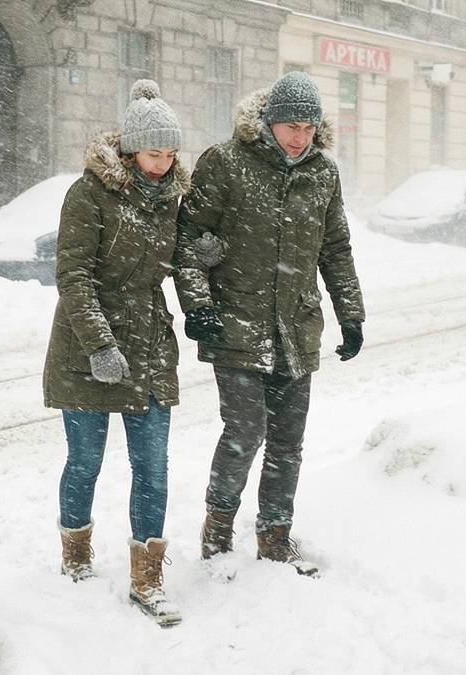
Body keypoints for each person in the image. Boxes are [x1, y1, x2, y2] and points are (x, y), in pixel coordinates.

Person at [173, 71, 365, 577]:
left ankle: (275, 535)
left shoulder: (323, 173)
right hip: (235, 323)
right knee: (246, 430)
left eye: (308, 126)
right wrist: (199, 306)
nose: (299, 136)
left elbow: (335, 246)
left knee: (287, 438)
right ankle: (217, 531)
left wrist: (351, 314)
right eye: (289, 125)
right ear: (269, 120)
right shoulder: (227, 162)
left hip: (296, 327)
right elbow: (189, 237)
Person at [43, 80, 187, 626]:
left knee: (153, 467)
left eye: (172, 154)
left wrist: (200, 253)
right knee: (86, 463)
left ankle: (147, 581)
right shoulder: (88, 195)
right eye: (155, 154)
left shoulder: (173, 197)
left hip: (149, 346)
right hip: (88, 349)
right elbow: (74, 276)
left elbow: (176, 259)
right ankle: (75, 557)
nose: (164, 164)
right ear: (129, 151)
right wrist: (100, 343)